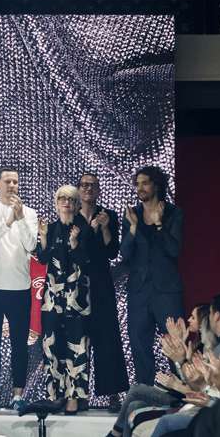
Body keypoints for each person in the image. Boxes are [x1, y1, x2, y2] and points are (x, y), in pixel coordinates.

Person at [0, 168, 37, 413]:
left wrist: (20, 218)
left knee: (19, 344)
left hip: (20, 286)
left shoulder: (29, 212)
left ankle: (17, 395)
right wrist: (9, 220)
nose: (12, 185)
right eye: (7, 181)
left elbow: (31, 245)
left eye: (15, 181)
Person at [121, 166, 184, 385]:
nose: (140, 188)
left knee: (175, 342)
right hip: (139, 290)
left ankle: (181, 392)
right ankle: (145, 393)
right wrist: (132, 229)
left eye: (145, 183)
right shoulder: (132, 215)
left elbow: (174, 250)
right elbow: (125, 254)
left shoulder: (173, 213)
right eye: (137, 184)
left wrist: (159, 224)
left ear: (156, 185)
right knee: (139, 343)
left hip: (166, 290)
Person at [36, 185, 92, 415]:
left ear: (77, 204)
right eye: (62, 199)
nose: (66, 203)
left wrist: (76, 243)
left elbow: (87, 261)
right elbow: (42, 258)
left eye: (71, 199)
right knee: (51, 345)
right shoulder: (49, 228)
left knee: (77, 345)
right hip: (53, 295)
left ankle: (74, 397)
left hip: (77, 295)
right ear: (56, 203)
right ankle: (54, 395)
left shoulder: (84, 228)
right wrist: (42, 238)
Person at [76, 173, 128, 410]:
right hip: (77, 282)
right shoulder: (72, 216)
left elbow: (112, 251)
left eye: (93, 186)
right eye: (84, 185)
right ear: (79, 190)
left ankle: (113, 393)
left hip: (101, 282)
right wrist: (90, 229)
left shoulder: (109, 215)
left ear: (98, 190)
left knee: (107, 336)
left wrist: (105, 228)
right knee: (79, 338)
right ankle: (79, 392)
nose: (88, 189)